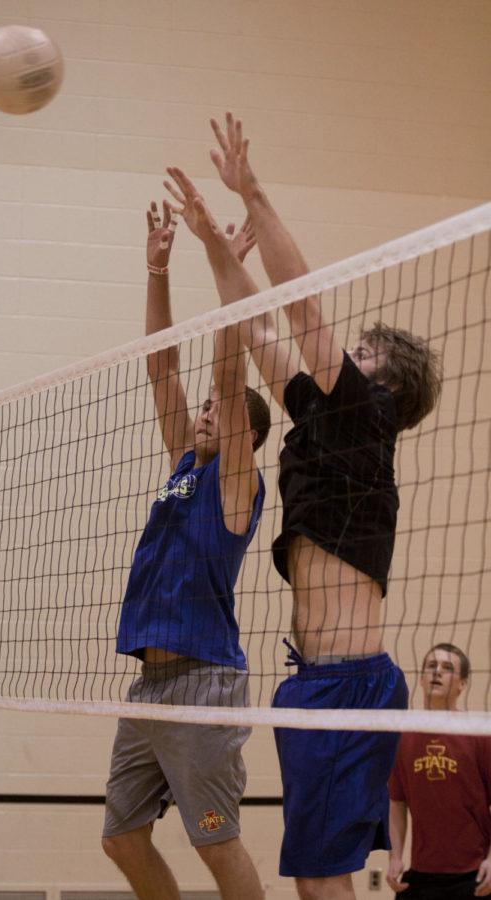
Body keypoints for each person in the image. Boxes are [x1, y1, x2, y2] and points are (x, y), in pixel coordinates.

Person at [164, 111, 443, 900]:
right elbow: (254, 321)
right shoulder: (323, 417)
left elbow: (302, 307)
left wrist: (253, 192)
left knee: (322, 884)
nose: (341, 356)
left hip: (347, 684)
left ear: (379, 385)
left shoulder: (363, 418)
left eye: (360, 355)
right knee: (319, 882)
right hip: (317, 685)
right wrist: (216, 246)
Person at [101, 198, 271, 900]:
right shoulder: (183, 464)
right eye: (200, 406)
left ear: (244, 437)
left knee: (215, 839)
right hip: (152, 684)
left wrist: (224, 263)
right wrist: (157, 266)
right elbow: (159, 366)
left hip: (204, 684)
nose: (204, 410)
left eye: (216, 410)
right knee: (120, 836)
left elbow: (229, 383)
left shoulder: (238, 484)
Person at [387, 643, 491, 898]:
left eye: (447, 668)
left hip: (474, 873)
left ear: (462, 684)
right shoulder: (403, 735)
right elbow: (397, 802)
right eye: (431, 666)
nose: (437, 672)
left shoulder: (478, 733)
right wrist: (395, 856)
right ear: (421, 679)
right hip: (422, 874)